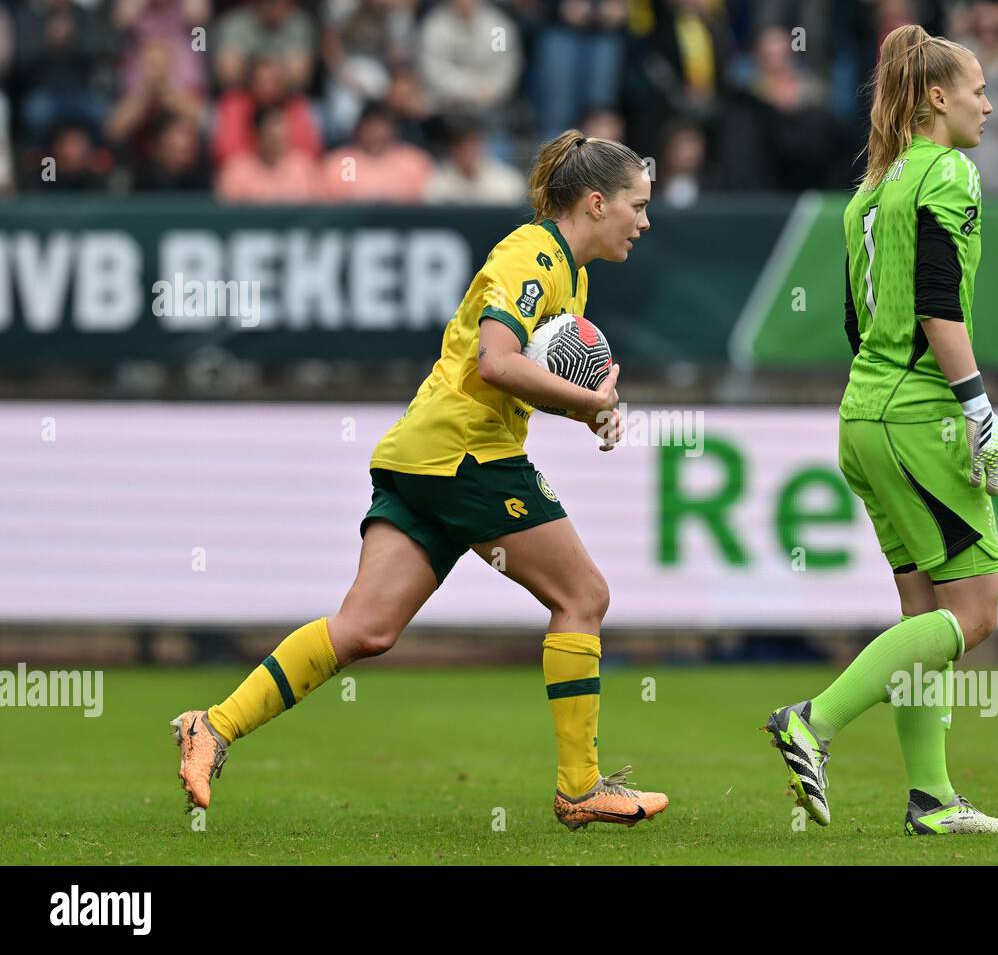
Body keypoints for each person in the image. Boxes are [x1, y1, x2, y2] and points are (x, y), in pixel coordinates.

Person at [174, 130, 669, 831]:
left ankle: (211, 726)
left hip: (421, 454)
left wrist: (582, 412)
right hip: (469, 456)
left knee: (366, 629)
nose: (644, 221)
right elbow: (497, 362)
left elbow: (515, 375)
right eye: (637, 205)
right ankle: (580, 788)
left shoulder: (571, 275)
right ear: (596, 202)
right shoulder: (531, 256)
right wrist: (588, 401)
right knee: (584, 596)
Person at [762, 24, 998, 836]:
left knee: (925, 621)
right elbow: (940, 305)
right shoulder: (950, 173)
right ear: (937, 98)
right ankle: (814, 719)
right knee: (974, 614)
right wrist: (978, 414)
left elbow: (855, 318)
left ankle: (933, 799)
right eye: (977, 89)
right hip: (919, 420)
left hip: (862, 414)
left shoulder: (870, 191)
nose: (989, 102)